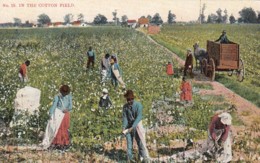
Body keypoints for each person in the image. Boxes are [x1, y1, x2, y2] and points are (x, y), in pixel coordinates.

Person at [41, 85, 73, 150]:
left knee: (59, 128)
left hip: (61, 114)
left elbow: (55, 105)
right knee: (61, 129)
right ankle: (62, 143)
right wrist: (67, 109)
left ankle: (59, 143)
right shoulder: (67, 97)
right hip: (63, 114)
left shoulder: (58, 97)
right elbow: (70, 106)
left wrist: (50, 114)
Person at [122, 90, 149, 162]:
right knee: (129, 144)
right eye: (128, 99)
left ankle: (144, 158)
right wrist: (124, 127)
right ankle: (129, 159)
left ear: (133, 99)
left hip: (137, 125)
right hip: (129, 126)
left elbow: (139, 117)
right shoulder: (125, 107)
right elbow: (125, 118)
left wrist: (133, 127)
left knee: (140, 142)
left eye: (130, 99)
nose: (129, 101)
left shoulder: (138, 105)